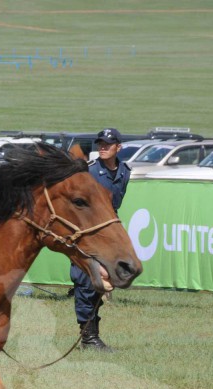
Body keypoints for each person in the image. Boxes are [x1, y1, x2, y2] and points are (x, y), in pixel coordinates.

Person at [73, 128, 130, 351]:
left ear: (119, 147)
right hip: (86, 234)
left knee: (100, 286)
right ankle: (88, 337)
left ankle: (93, 333)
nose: (103, 148)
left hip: (107, 236)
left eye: (108, 144)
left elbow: (114, 208)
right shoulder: (89, 172)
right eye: (100, 144)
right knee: (85, 282)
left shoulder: (125, 172)